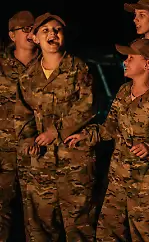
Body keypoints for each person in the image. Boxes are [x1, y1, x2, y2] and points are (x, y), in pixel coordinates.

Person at [65, 38, 149, 241]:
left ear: (148, 64)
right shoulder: (123, 91)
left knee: (145, 235)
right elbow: (110, 127)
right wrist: (86, 134)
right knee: (107, 233)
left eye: (131, 58)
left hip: (145, 183)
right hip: (117, 178)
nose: (125, 62)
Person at [15, 13, 96, 241]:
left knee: (79, 227)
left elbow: (88, 106)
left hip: (74, 161)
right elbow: (23, 114)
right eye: (45, 30)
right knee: (41, 227)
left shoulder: (80, 68)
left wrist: (56, 131)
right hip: (40, 164)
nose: (52, 34)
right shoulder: (28, 76)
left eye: (57, 30)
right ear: (35, 38)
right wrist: (28, 140)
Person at [0, 11, 38, 241]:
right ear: (12, 36)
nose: (30, 34)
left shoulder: (49, 64)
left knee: (37, 215)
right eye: (25, 29)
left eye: (33, 29)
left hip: (36, 150)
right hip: (3, 151)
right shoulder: (1, 65)